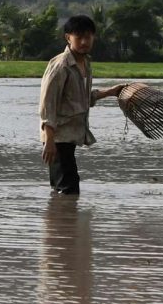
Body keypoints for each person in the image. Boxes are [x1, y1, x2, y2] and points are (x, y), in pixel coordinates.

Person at [37, 13, 125, 196]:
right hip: (58, 138)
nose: (84, 42)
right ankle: (63, 221)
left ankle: (58, 219)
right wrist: (49, 140)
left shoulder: (85, 63)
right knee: (69, 189)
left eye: (88, 37)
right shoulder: (60, 66)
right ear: (68, 37)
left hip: (70, 136)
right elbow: (47, 105)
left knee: (64, 188)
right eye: (79, 37)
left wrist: (110, 92)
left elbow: (82, 99)